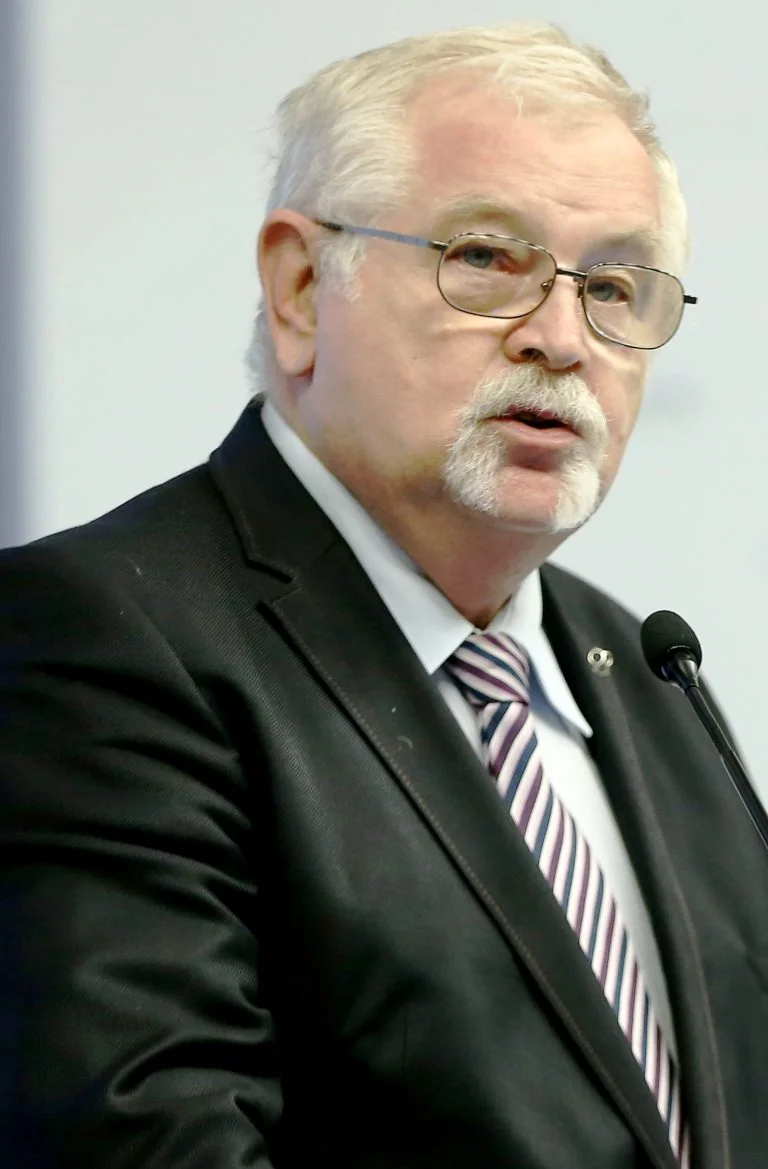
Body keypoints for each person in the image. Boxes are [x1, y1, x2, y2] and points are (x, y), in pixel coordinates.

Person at [0, 20, 766, 1169]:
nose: (562, 337)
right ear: (302, 287)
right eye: (488, 259)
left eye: (614, 285)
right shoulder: (101, 639)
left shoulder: (650, 672)